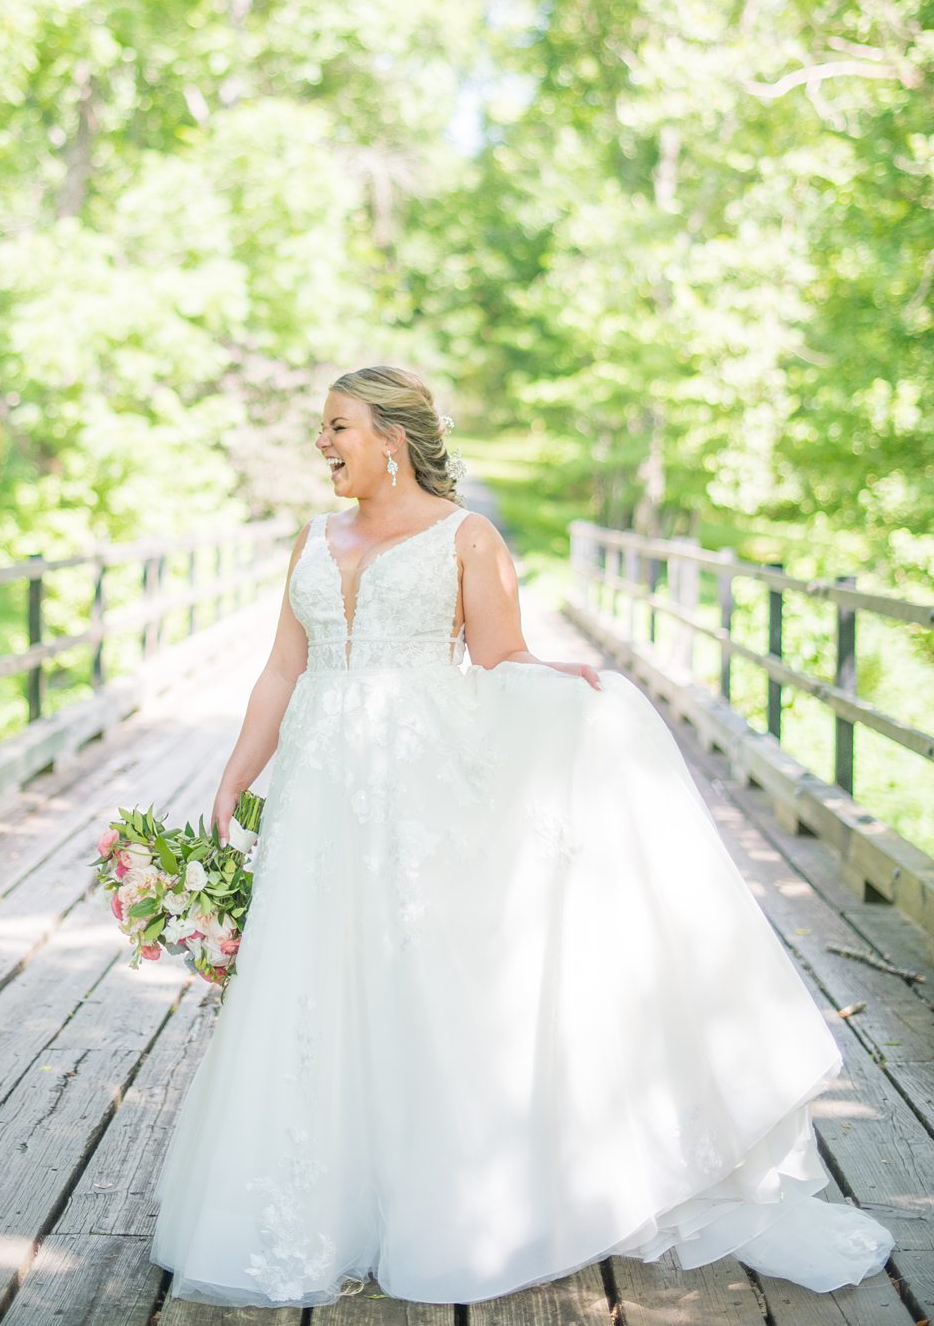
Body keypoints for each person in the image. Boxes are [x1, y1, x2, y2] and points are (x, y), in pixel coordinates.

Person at [150, 364, 895, 1307]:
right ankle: (314, 1204)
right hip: (316, 790)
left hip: (417, 795)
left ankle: (448, 1202)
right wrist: (233, 775)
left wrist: (569, 690)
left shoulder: (467, 537)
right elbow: (279, 669)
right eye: (322, 428)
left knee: (416, 980)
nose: (322, 444)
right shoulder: (312, 535)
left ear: (392, 436)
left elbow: (500, 661)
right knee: (310, 982)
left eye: (337, 426)